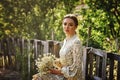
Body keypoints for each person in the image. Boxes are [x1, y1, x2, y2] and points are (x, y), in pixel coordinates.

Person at [32, 14, 84, 80]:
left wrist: (57, 71)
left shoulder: (76, 42)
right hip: (63, 73)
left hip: (70, 77)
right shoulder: (66, 40)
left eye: (70, 25)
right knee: (40, 75)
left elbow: (77, 68)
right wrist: (51, 63)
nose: (67, 27)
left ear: (76, 27)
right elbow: (66, 60)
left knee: (39, 77)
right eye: (65, 24)